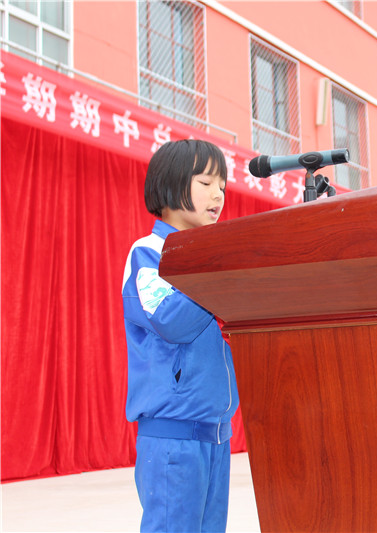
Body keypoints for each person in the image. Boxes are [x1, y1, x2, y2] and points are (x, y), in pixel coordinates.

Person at [122, 139, 240, 532]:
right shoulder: (149, 254)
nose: (218, 194)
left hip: (216, 437)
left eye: (222, 185)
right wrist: (215, 270)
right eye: (206, 182)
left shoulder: (210, 259)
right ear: (171, 187)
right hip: (173, 439)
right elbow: (171, 321)